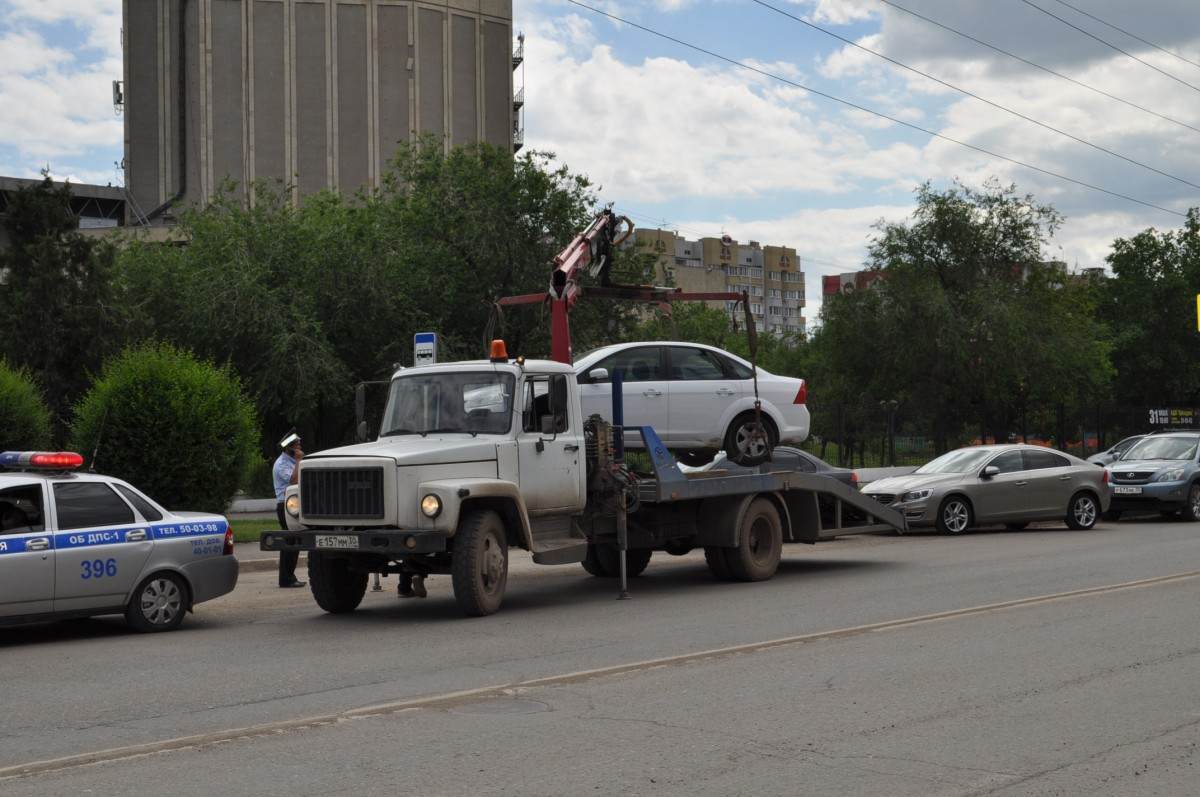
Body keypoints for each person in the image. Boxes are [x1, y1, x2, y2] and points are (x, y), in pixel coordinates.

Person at [273, 430, 306, 588]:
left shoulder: (292, 461)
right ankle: (286, 578)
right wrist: (299, 460)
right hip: (285, 505)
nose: (300, 446)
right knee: (290, 541)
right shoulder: (282, 464)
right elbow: (294, 481)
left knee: (293, 541)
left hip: (294, 504)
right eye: (297, 444)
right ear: (289, 448)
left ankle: (289, 576)